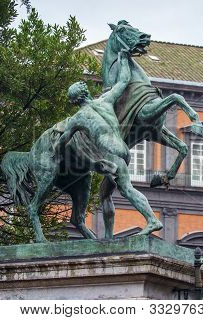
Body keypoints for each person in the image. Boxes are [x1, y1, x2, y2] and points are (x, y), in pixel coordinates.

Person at [56, 49, 163, 236]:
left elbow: (64, 139)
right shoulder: (106, 101)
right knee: (105, 194)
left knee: (126, 189)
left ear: (75, 100)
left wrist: (55, 149)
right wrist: (123, 60)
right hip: (122, 150)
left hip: (110, 155)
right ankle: (108, 237)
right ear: (86, 92)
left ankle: (152, 220)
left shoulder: (78, 118)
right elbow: (123, 81)